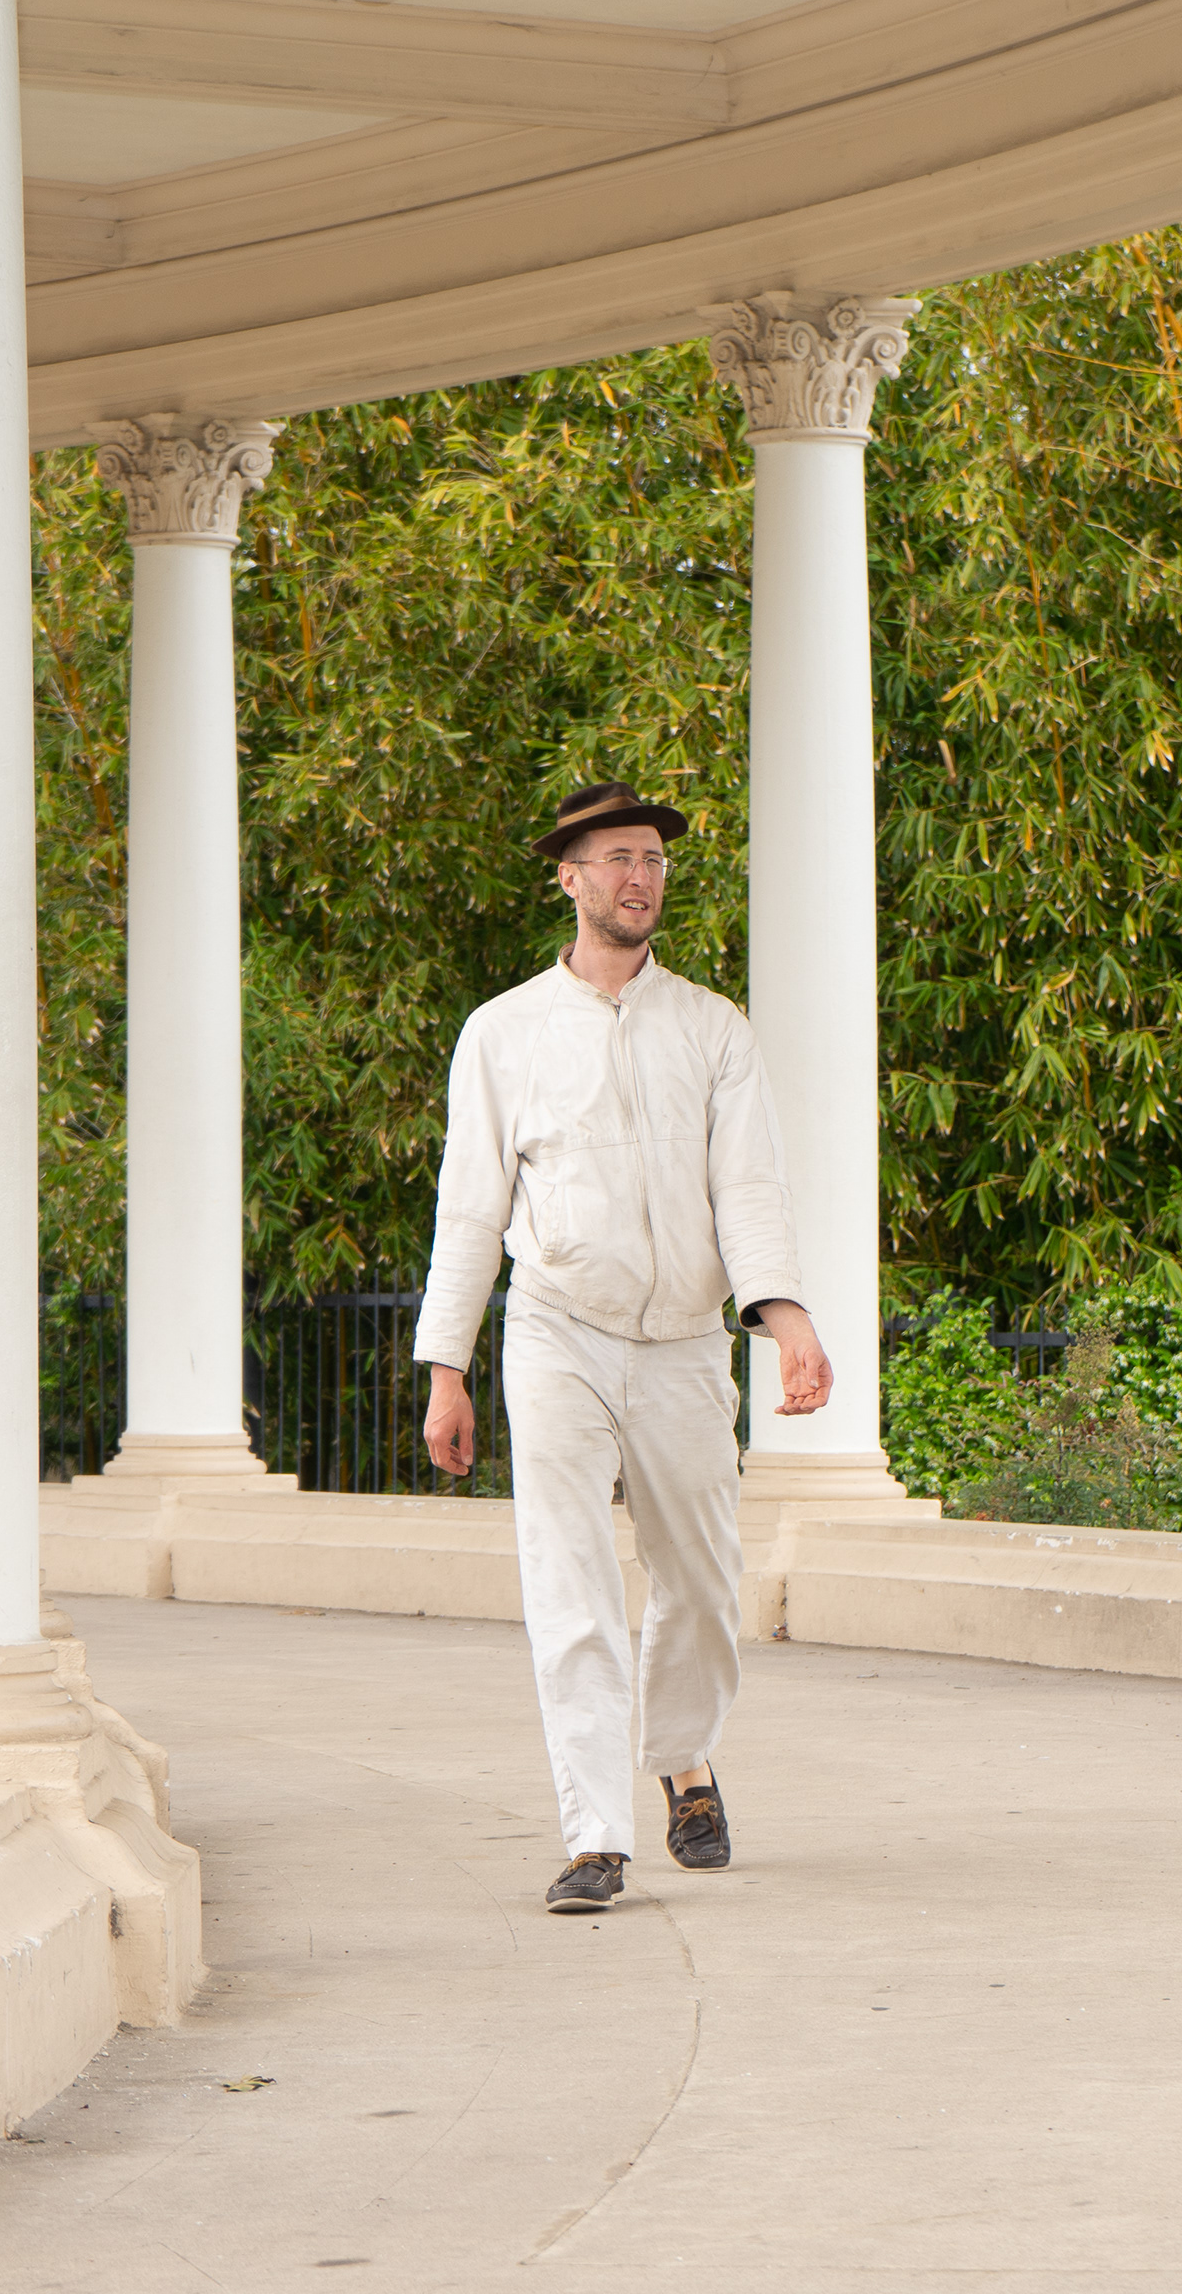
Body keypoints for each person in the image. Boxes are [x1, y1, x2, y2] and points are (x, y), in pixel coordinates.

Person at [416, 780, 835, 1914]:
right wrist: (448, 1368)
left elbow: (748, 1185)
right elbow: (470, 1207)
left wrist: (786, 1317)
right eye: (615, 858)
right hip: (558, 1330)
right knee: (571, 1582)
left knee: (700, 1580)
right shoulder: (502, 1032)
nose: (638, 876)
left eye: (651, 857)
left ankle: (684, 1763)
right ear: (570, 878)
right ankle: (595, 1834)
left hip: (687, 1342)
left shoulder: (712, 1026)